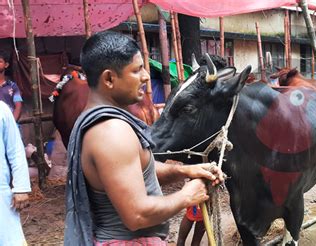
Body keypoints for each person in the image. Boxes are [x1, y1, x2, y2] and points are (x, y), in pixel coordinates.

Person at [64, 31, 224, 245]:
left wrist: (183, 171)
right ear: (109, 78)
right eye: (137, 70)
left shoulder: (97, 121)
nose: (146, 76)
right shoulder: (111, 132)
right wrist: (187, 195)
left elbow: (135, 169)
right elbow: (137, 215)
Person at [0, 101, 31, 245]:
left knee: (9, 240)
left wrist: (21, 187)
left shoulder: (1, 109)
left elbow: (16, 150)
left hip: (1, 191)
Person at [0, 51, 23, 122]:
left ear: (6, 65)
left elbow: (18, 107)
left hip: (10, 124)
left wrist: (11, 124)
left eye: (0, 61)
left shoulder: (13, 86)